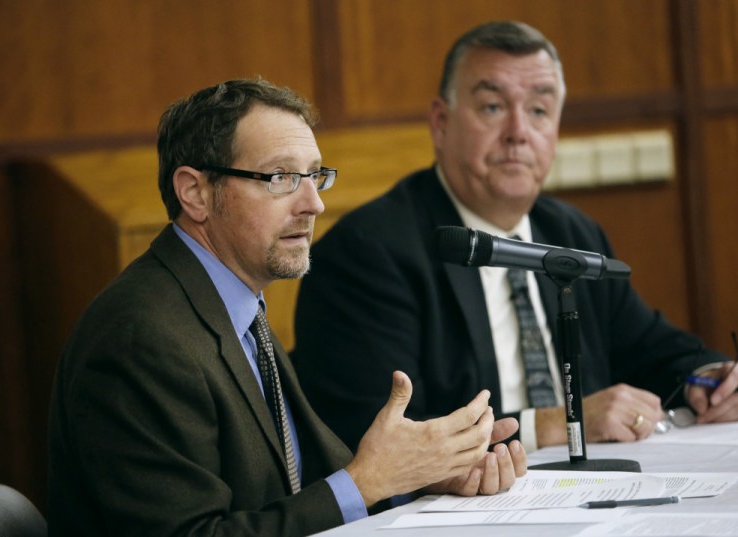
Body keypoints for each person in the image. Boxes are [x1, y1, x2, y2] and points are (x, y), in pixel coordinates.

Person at [47, 78, 528, 536]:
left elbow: (300, 488)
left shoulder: (237, 309)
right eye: (281, 177)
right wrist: (368, 482)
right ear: (194, 192)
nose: (313, 203)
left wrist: (419, 477)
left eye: (315, 175)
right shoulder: (141, 339)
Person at [292, 21, 738, 457]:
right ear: (442, 123)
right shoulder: (370, 251)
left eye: (539, 111)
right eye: (492, 107)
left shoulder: (571, 232)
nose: (518, 132)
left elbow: (652, 348)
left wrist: (711, 376)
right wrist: (554, 422)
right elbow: (378, 437)